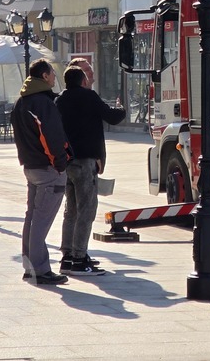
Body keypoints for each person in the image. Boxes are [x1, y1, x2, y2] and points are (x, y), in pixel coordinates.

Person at [57, 59, 125, 276]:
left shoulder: (60, 100)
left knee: (70, 211)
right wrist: (122, 108)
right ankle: (79, 258)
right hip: (86, 162)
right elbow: (112, 117)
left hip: (67, 162)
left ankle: (67, 256)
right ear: (82, 81)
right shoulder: (89, 97)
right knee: (86, 210)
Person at [11, 58, 70, 286]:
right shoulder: (43, 103)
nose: (55, 77)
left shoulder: (21, 102)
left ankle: (30, 267)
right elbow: (51, 137)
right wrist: (60, 163)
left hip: (30, 166)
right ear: (44, 76)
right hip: (47, 169)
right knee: (41, 221)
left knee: (32, 218)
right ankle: (40, 270)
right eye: (52, 73)